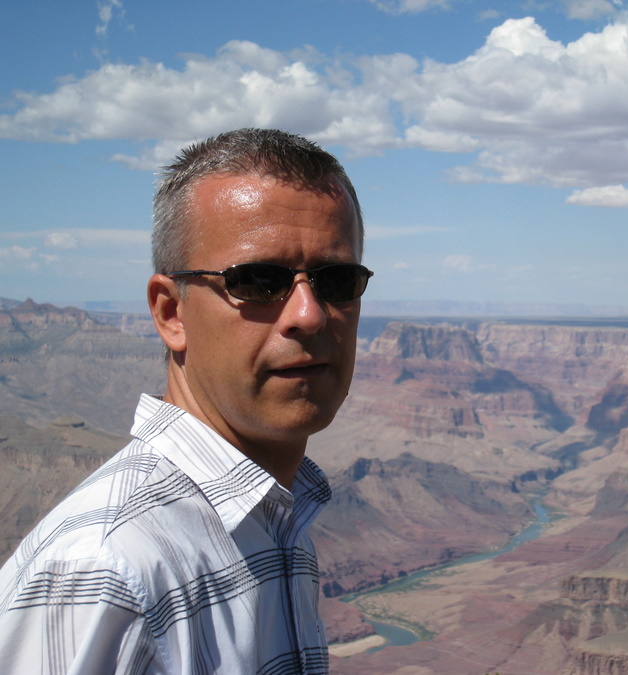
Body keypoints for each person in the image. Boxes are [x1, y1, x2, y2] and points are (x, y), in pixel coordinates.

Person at [0, 128, 373, 674]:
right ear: (171, 313)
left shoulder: (274, 524)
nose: (309, 314)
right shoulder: (106, 573)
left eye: (336, 280)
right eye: (258, 281)